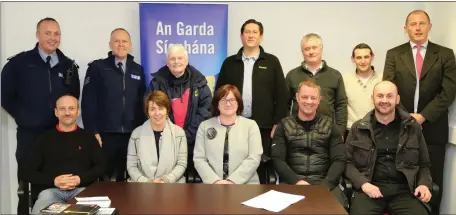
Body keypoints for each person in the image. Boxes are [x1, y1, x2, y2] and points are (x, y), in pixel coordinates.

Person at [0, 17, 80, 214]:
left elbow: (73, 97)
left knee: (57, 188)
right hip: (30, 136)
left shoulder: (68, 65)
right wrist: (24, 116)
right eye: (48, 33)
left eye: (57, 34)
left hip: (59, 135)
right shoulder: (19, 64)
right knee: (28, 189)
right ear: (37, 35)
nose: (53, 38)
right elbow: (5, 96)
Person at [383, 10, 456, 213]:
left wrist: (423, 116)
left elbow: (449, 92)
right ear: (405, 29)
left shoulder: (445, 54)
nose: (417, 28)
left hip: (433, 129)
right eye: (412, 24)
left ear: (429, 27)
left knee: (433, 183)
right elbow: (389, 90)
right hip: (400, 128)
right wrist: (407, 118)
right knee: (402, 181)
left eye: (422, 23)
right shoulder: (394, 54)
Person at [215, 19, 288, 183]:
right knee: (236, 163)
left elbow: (282, 95)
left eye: (255, 32)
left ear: (261, 37)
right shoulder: (229, 62)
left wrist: (278, 123)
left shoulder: (272, 62)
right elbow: (219, 93)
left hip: (264, 126)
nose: (251, 35)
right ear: (241, 36)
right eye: (247, 32)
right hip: (234, 124)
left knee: (260, 164)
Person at [345, 81, 432, 215]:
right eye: (380, 96)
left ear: (397, 99)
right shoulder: (358, 128)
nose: (384, 100)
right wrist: (363, 184)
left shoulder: (412, 127)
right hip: (370, 189)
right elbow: (347, 163)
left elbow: (424, 164)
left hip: (405, 191)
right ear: (373, 99)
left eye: (389, 96)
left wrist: (424, 184)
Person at [20, 94, 106, 214]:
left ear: (78, 111)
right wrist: (53, 181)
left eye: (71, 108)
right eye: (62, 109)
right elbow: (26, 172)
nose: (67, 113)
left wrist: (80, 179)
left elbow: (101, 166)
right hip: (51, 191)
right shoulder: (44, 139)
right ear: (56, 112)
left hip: (82, 190)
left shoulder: (88, 137)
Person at [82, 28, 146, 182]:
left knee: (128, 180)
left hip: (132, 134)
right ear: (110, 44)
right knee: (104, 178)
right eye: (117, 41)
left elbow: (142, 103)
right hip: (105, 135)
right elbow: (88, 102)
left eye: (124, 41)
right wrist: (92, 131)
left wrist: (143, 132)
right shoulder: (97, 68)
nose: (121, 44)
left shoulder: (138, 69)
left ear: (130, 45)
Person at [271, 79, 347, 207]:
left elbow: (339, 160)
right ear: (297, 97)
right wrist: (297, 181)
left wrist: (325, 186)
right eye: (305, 97)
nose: (309, 101)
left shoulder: (330, 126)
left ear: (319, 99)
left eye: (313, 98)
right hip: (292, 183)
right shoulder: (283, 126)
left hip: (325, 184)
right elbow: (278, 159)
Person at [147, 44, 212, 179]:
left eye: (180, 58)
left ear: (186, 61)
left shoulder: (199, 82)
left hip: (194, 142)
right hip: (164, 142)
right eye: (172, 59)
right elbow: (152, 110)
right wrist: (171, 136)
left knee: (192, 186)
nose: (176, 62)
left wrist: (186, 136)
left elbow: (205, 111)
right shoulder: (156, 83)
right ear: (167, 62)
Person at [194, 84, 262, 184]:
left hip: (246, 185)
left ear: (238, 102)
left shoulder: (251, 126)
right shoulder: (204, 126)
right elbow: (199, 159)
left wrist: (232, 181)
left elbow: (254, 158)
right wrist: (216, 181)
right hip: (213, 186)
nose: (228, 104)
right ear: (217, 104)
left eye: (232, 100)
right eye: (223, 100)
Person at [286, 33, 347, 135]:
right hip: (297, 132)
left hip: (327, 131)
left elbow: (341, 105)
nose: (311, 52)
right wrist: (287, 128)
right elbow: (285, 105)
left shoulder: (335, 75)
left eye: (314, 48)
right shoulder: (292, 75)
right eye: (307, 49)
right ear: (302, 52)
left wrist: (340, 132)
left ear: (321, 49)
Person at [127, 91, 187, 183]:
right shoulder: (136, 134)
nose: (157, 113)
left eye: (161, 108)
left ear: (167, 111)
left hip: (172, 185)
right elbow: (132, 166)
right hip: (142, 186)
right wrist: (147, 182)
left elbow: (181, 164)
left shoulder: (179, 133)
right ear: (148, 112)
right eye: (152, 109)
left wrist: (166, 180)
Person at [343, 43, 382, 140]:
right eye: (359, 57)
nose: (363, 61)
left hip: (378, 130)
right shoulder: (345, 80)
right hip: (352, 132)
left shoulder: (383, 79)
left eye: (366, 57)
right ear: (353, 59)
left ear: (372, 57)